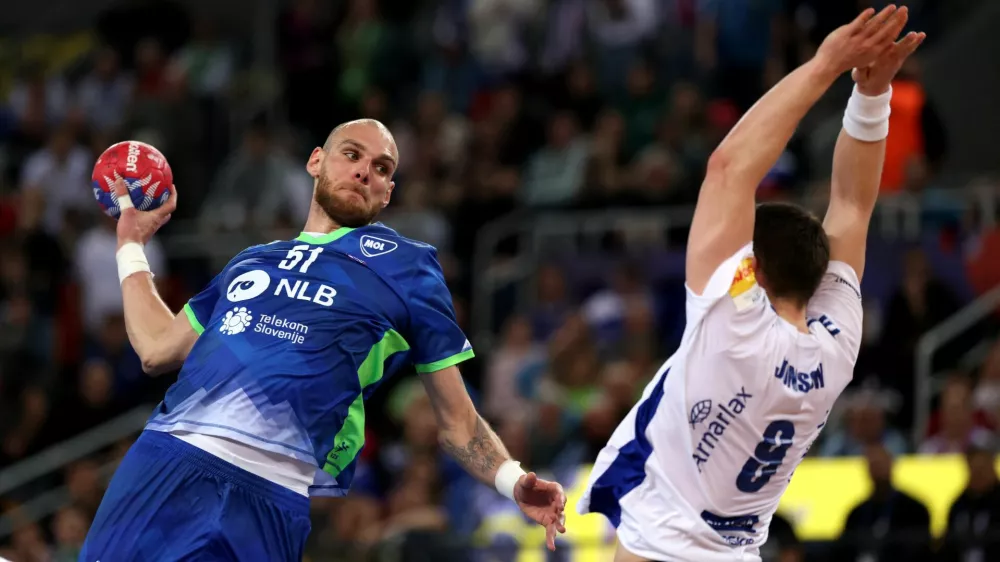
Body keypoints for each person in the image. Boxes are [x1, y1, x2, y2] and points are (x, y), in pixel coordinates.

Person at [79, 118, 567, 561]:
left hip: (274, 495)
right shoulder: (253, 260)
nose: (364, 172)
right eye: (351, 155)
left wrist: (512, 480)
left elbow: (458, 421)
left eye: (381, 167)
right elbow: (157, 348)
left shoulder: (410, 269)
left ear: (388, 192)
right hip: (170, 457)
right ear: (316, 161)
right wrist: (131, 243)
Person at [576, 6, 925, 562]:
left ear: (753, 271)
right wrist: (873, 96)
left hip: (663, 551)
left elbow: (729, 169)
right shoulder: (834, 339)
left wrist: (828, 65)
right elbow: (854, 207)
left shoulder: (733, 316)